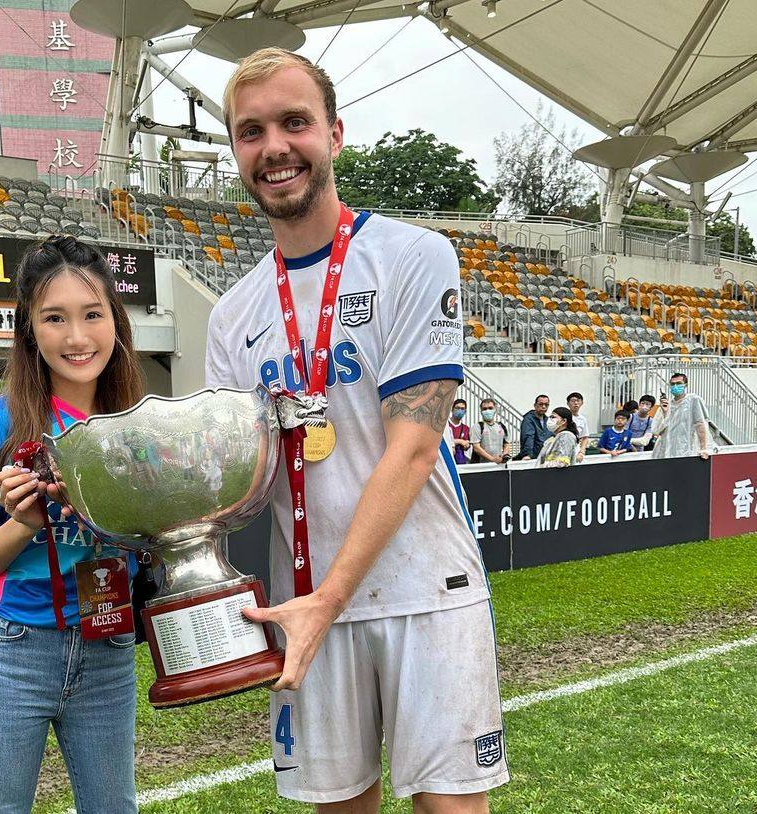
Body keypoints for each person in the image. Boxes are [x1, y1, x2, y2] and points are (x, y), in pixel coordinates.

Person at [205, 48, 506, 812]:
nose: (274, 146)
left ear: (334, 135)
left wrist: (325, 600)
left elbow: (412, 449)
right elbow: (237, 485)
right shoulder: (232, 314)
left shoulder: (412, 257)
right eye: (251, 131)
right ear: (237, 151)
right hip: (304, 604)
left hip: (425, 592)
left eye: (294, 122)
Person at [0, 236, 145, 814]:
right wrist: (24, 523)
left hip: (108, 646)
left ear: (115, 321)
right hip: (14, 650)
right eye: (54, 318)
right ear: (30, 329)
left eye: (92, 315)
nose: (77, 338)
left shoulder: (138, 423)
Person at [652, 373, 712, 460]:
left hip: (687, 451)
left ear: (685, 385)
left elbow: (700, 424)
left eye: (679, 383)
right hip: (666, 452)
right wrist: (665, 412)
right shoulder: (666, 405)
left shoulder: (693, 400)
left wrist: (703, 448)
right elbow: (656, 431)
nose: (675, 386)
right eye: (673, 384)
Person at [470, 398, 511, 464]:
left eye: (490, 408)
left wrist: (504, 455)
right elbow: (476, 448)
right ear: (481, 411)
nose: (487, 411)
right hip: (482, 466)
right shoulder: (477, 427)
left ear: (495, 409)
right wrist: (492, 459)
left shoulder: (503, 427)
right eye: (484, 409)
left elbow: (507, 444)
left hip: (499, 466)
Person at [517, 393, 552, 460]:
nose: (544, 406)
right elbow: (528, 437)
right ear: (535, 405)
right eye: (541, 404)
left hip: (546, 458)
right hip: (532, 458)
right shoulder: (528, 419)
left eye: (546, 405)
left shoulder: (548, 420)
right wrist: (528, 454)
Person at [566, 391, 590, 461]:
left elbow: (585, 437)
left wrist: (582, 452)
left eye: (578, 401)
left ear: (582, 403)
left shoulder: (583, 419)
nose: (576, 403)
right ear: (568, 403)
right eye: (573, 401)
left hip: (576, 450)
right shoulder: (563, 416)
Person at [448, 397, 471, 465]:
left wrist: (466, 445)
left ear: (465, 412)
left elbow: (466, 447)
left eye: (462, 409)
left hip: (459, 461)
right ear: (452, 409)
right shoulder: (445, 425)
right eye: (457, 408)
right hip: (447, 460)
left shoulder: (465, 428)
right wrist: (460, 441)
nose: (459, 410)